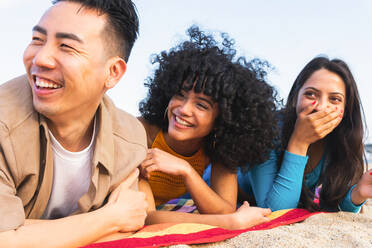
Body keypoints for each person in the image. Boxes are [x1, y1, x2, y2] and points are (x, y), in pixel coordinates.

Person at [0, 0, 148, 247]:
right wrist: (108, 218)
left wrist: (23, 230)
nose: (41, 58)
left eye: (66, 46)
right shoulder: (5, 124)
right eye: (37, 39)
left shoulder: (128, 137)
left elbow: (128, 225)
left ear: (112, 72)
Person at [137, 26, 278, 229]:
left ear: (223, 118)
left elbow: (224, 208)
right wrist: (231, 223)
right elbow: (147, 218)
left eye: (201, 105)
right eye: (180, 95)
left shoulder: (216, 146)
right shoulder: (142, 133)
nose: (183, 109)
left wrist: (186, 171)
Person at [237, 56, 372, 212]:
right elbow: (275, 211)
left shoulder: (341, 140)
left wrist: (358, 194)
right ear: (295, 97)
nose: (321, 107)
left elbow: (335, 207)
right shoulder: (267, 129)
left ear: (347, 108)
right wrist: (299, 142)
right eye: (311, 94)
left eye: (334, 99)